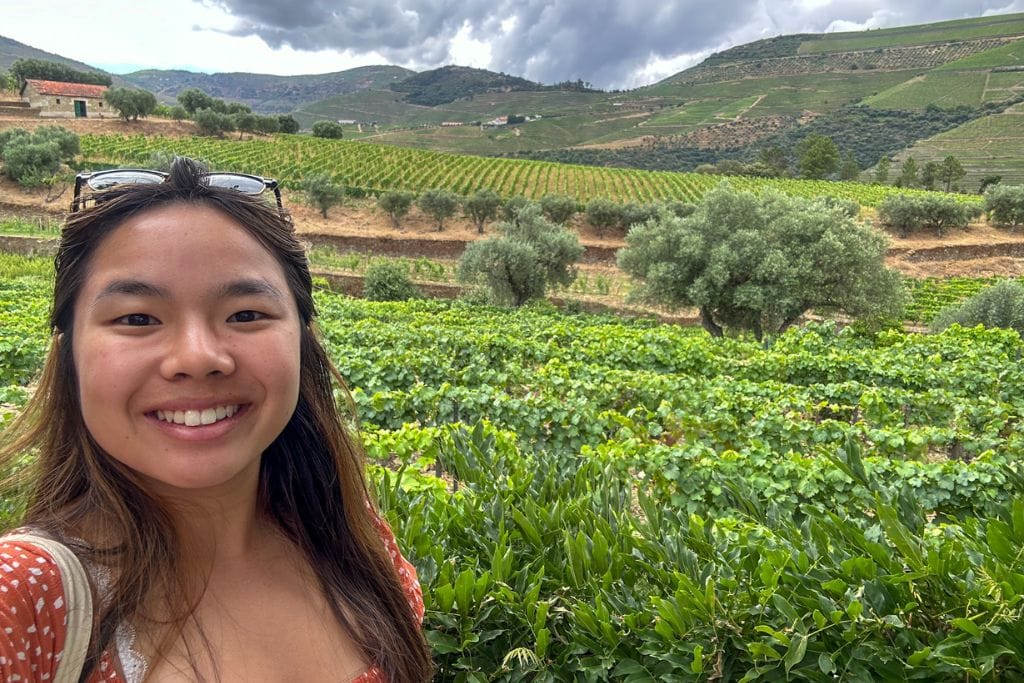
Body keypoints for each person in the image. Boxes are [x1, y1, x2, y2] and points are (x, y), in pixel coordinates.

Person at [0, 158, 433, 682]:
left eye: (246, 314)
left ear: (302, 339)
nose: (198, 356)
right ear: (69, 352)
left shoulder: (355, 543)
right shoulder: (23, 600)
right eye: (137, 318)